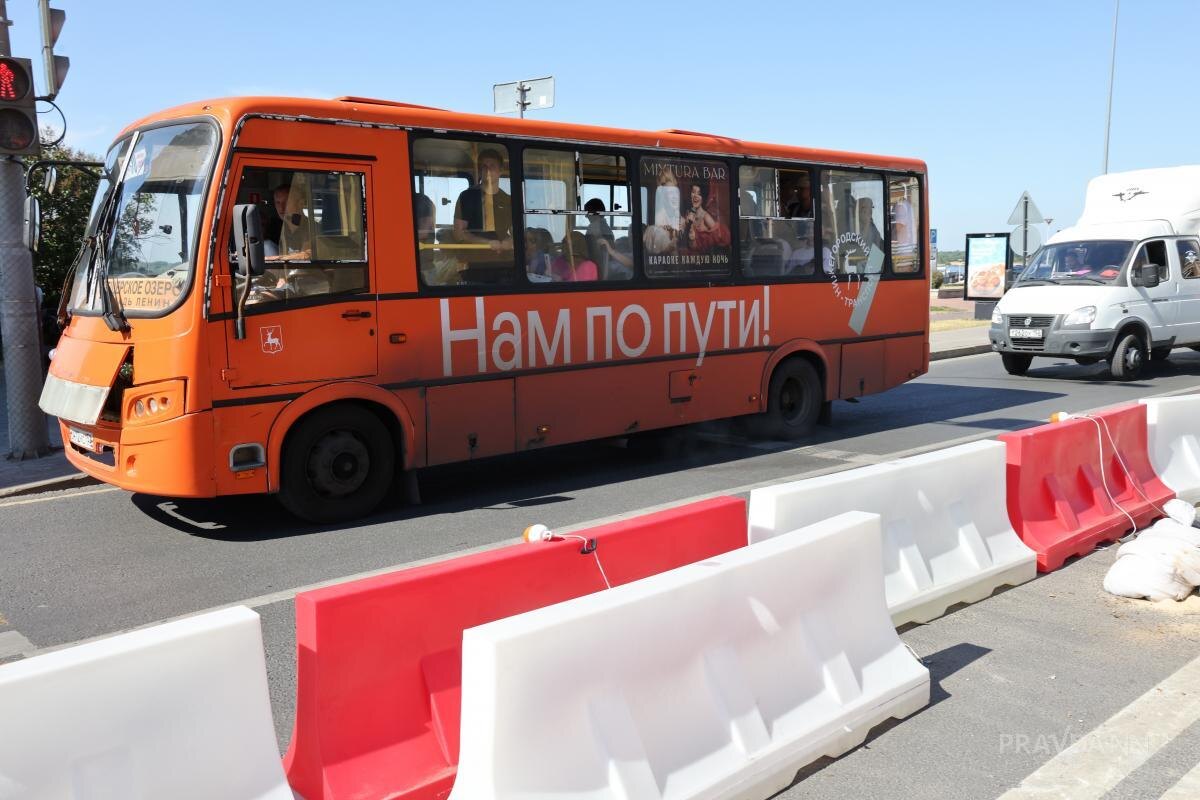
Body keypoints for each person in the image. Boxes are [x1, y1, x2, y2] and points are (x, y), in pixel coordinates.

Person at [452, 148, 513, 254]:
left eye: (492, 166)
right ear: (480, 170)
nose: (488, 170)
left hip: (506, 261)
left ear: (501, 170)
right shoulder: (466, 197)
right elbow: (458, 233)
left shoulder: (509, 200)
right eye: (484, 167)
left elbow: (517, 232)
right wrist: (487, 243)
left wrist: (510, 241)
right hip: (476, 261)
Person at [583, 198, 633, 279]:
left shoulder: (593, 228)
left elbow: (588, 252)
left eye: (587, 213)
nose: (586, 216)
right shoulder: (607, 228)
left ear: (594, 213)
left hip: (598, 270)